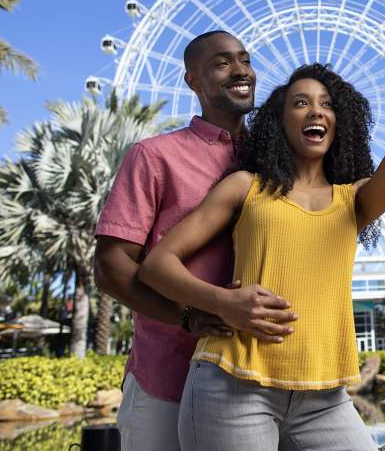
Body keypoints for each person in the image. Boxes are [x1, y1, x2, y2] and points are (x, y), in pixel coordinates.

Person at [137, 9, 385, 450]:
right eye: (301, 102)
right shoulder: (244, 187)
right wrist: (223, 302)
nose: (316, 111)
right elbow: (156, 266)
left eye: (327, 103)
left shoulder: (354, 201)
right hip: (231, 383)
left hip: (325, 396)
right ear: (279, 121)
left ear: (339, 121)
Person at [93, 30, 297, 451]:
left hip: (267, 379)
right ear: (193, 81)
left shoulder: (280, 163)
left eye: (245, 59)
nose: (240, 70)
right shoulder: (154, 156)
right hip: (169, 376)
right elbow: (111, 268)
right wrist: (188, 316)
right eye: (222, 63)